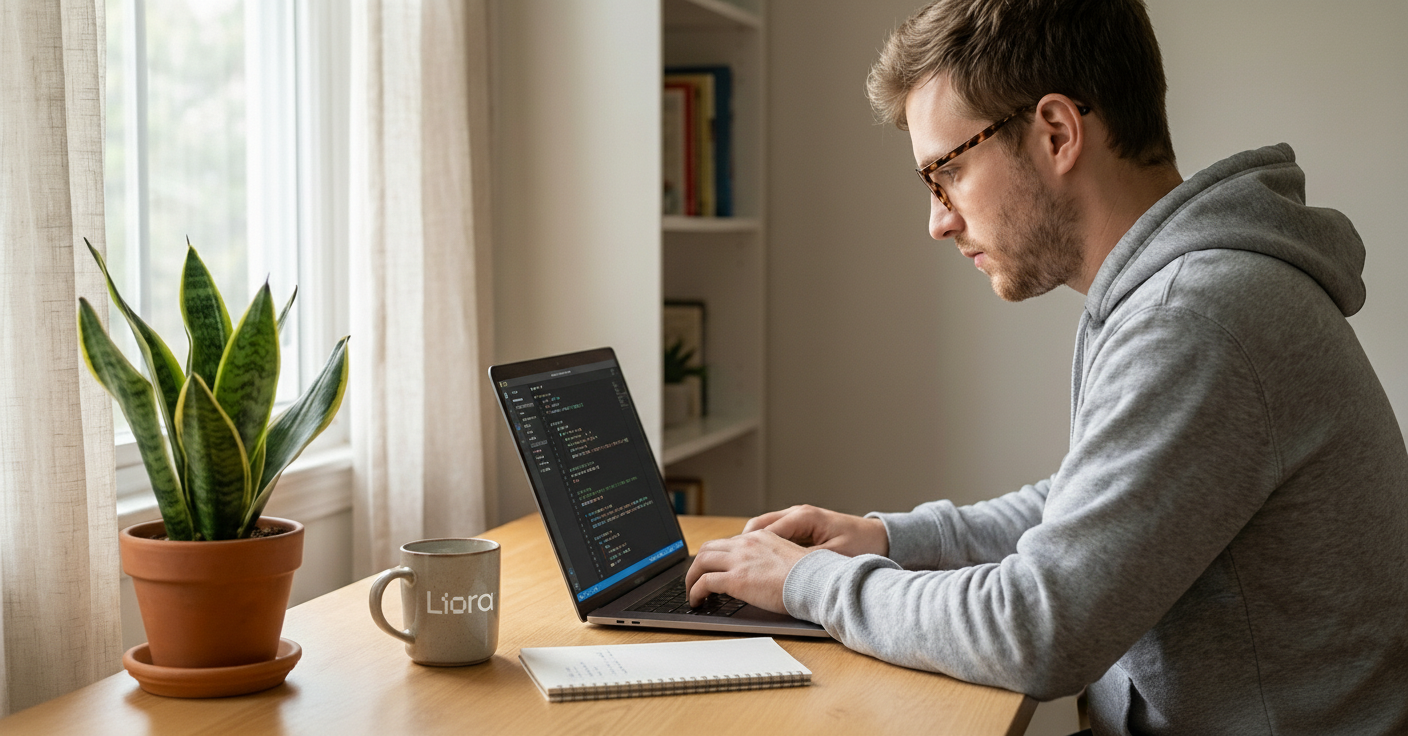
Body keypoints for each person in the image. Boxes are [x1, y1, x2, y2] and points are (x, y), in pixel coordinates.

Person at [682, 1, 1408, 733]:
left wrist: (811, 583)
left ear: (1057, 133)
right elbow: (1090, 506)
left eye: (948, 171)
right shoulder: (1176, 293)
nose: (938, 219)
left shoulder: (1194, 316)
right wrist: (891, 540)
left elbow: (1035, 630)